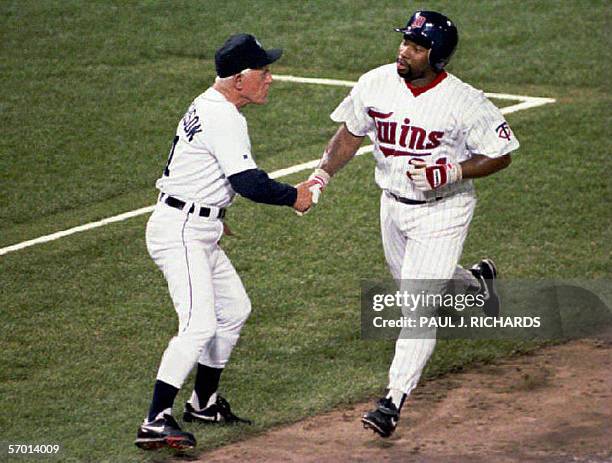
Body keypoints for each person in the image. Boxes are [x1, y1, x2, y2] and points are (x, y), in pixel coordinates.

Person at [305, 10, 519, 438]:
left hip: (444, 210)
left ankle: (392, 401)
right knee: (415, 289)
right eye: (405, 41)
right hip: (393, 206)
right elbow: (350, 133)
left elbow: (502, 151)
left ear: (436, 56)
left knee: (418, 308)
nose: (404, 50)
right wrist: (321, 176)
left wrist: (453, 172)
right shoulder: (376, 82)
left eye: (416, 47)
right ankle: (477, 284)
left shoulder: (464, 101)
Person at [135, 33, 314, 450]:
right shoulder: (224, 116)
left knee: (234, 308)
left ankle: (203, 402)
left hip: (196, 224)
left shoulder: (211, 103)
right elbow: (249, 182)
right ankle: (156, 419)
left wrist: (216, 210)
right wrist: (295, 197)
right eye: (264, 72)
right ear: (239, 79)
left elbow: (199, 167)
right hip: (181, 231)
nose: (270, 79)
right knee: (198, 324)